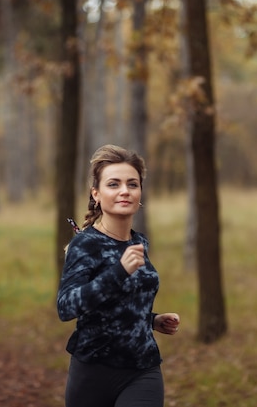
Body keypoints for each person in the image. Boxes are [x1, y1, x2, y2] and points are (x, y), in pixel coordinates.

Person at [57, 144, 180, 407]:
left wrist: (152, 320)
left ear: (140, 193)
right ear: (96, 194)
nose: (125, 191)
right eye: (113, 184)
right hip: (93, 371)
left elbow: (121, 304)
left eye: (132, 184)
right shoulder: (85, 244)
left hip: (143, 368)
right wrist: (118, 272)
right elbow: (66, 307)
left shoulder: (139, 242)